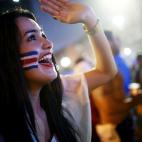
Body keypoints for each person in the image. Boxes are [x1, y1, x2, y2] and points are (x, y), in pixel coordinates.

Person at [0, 0, 117, 142]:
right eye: (31, 37)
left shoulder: (62, 94)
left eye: (43, 35)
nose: (49, 44)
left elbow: (106, 72)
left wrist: (89, 18)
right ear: (7, 56)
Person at [91, 31, 137, 142]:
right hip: (117, 124)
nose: (119, 41)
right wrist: (135, 100)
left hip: (125, 116)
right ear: (108, 42)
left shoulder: (119, 60)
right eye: (116, 39)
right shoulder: (105, 69)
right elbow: (108, 107)